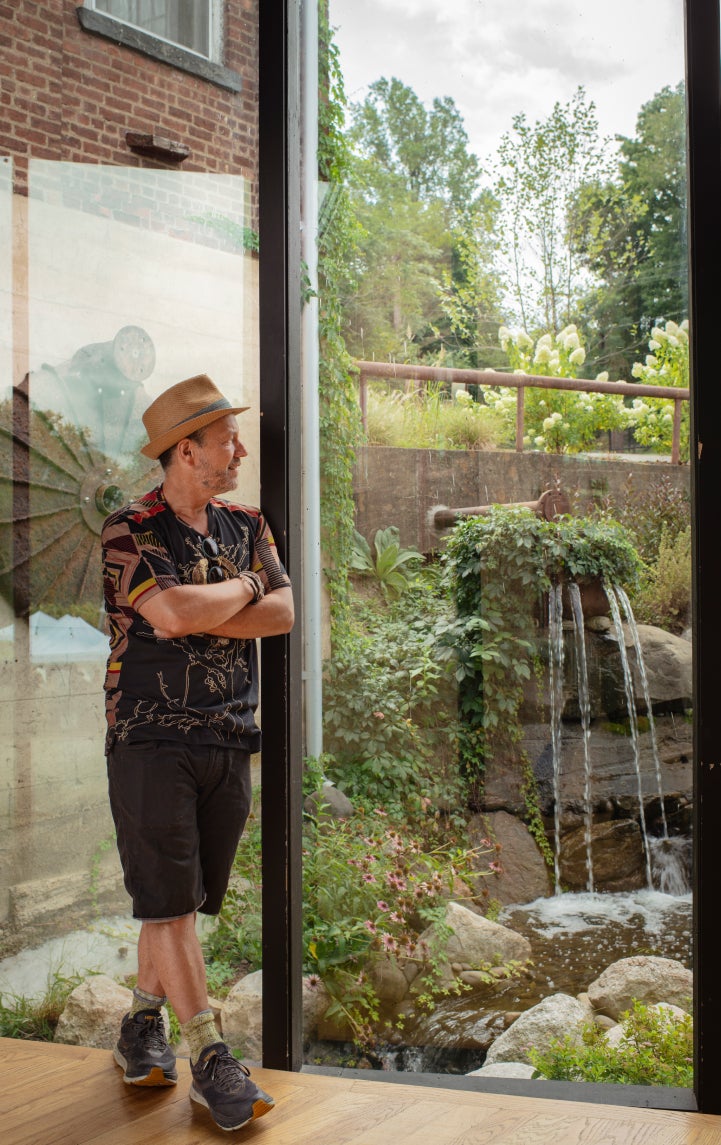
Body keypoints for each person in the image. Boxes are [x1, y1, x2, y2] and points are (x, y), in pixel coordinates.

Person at [101, 374, 294, 1132]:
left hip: (229, 735)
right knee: (171, 902)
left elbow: (282, 613)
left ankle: (140, 1024)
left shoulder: (248, 522)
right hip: (149, 738)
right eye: (226, 441)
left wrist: (218, 598)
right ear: (186, 451)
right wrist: (245, 587)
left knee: (175, 901)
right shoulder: (130, 528)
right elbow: (173, 613)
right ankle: (212, 1061)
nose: (240, 451)